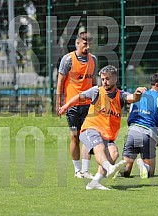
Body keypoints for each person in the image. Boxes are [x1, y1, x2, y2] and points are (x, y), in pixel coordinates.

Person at [58, 65, 147, 190]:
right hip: (90, 129)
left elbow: (132, 98)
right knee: (99, 147)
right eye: (103, 79)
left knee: (114, 152)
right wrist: (65, 106)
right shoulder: (96, 91)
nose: (105, 82)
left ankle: (94, 182)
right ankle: (109, 168)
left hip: (106, 135)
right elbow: (79, 97)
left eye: (108, 79)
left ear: (115, 79)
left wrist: (137, 93)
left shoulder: (120, 95)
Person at [56, 31, 97, 179]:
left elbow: (94, 83)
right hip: (72, 106)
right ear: (78, 43)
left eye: (90, 44)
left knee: (87, 136)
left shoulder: (93, 60)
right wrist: (59, 103)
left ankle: (86, 170)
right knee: (74, 136)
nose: (88, 46)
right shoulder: (68, 59)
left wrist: (97, 101)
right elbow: (60, 81)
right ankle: (77, 170)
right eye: (85, 44)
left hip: (88, 105)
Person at [119, 73, 158, 179]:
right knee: (150, 174)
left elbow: (129, 117)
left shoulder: (137, 95)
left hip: (132, 133)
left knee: (125, 173)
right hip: (149, 135)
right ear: (157, 85)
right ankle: (145, 167)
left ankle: (121, 167)